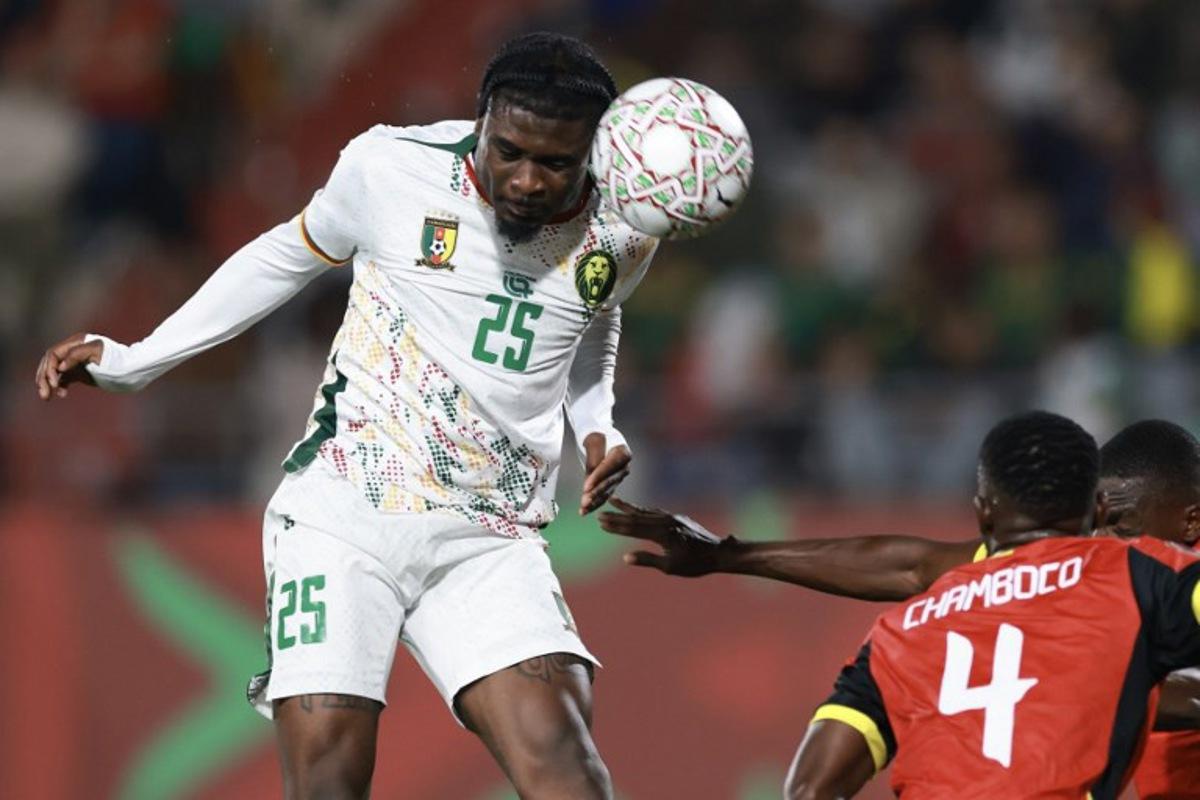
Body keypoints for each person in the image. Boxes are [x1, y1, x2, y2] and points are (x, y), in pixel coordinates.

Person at [35, 32, 658, 800]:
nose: (527, 180)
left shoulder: (629, 226)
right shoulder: (389, 169)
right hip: (344, 512)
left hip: (488, 535)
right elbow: (284, 256)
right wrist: (138, 360)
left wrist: (598, 423)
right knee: (329, 775)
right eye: (509, 152)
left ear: (593, 156)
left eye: (555, 164)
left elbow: (592, 318)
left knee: (567, 769)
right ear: (481, 123)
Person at [599, 418, 1200, 796]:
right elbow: (909, 563)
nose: (1108, 539)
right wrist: (729, 555)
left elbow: (810, 787)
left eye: (1119, 525)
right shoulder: (1124, 576)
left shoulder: (902, 634)